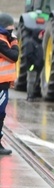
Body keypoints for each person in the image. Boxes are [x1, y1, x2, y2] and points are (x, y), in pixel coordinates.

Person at [0, 13, 19, 155]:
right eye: (9, 29)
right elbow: (13, 56)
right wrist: (15, 43)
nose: (11, 32)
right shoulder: (1, 41)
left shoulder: (5, 39)